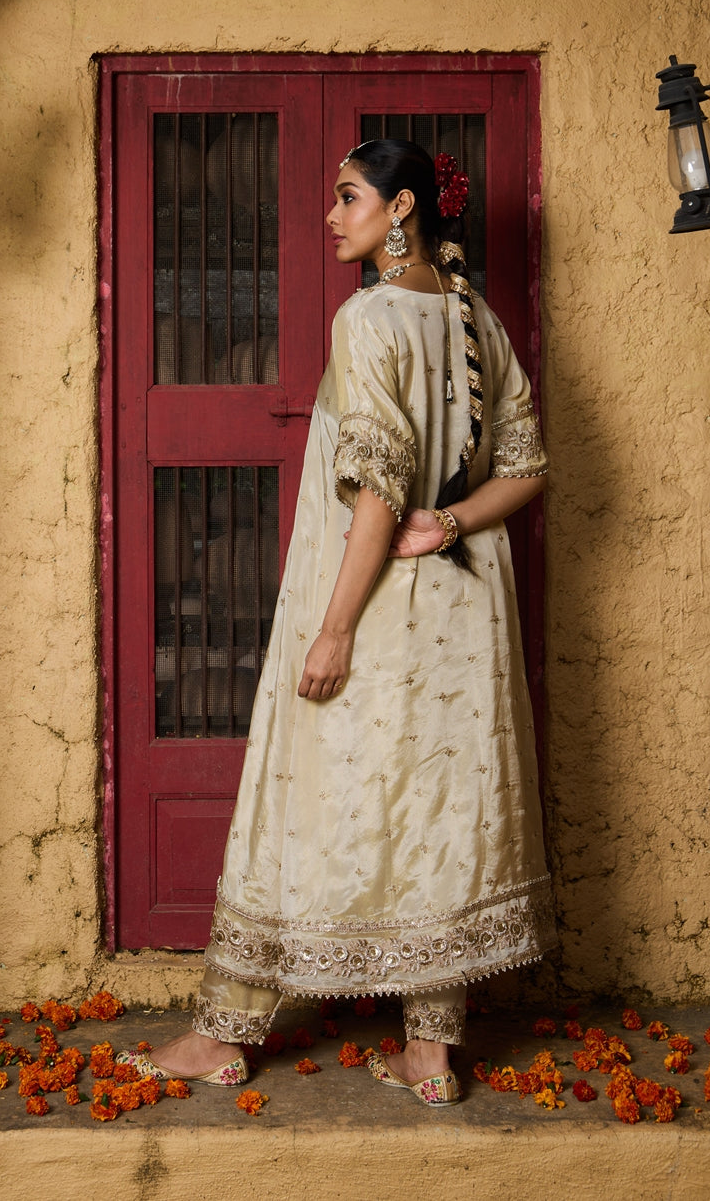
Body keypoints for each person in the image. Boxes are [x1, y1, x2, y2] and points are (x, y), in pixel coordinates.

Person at [120, 139, 555, 1104]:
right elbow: (525, 471)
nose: (330, 214)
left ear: (400, 208)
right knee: (437, 812)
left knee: (305, 794)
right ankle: (431, 1053)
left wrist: (333, 628)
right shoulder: (476, 320)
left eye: (347, 195)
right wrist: (450, 523)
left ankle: (224, 1033)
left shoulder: (368, 320)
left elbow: (374, 494)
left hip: (378, 602)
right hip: (466, 609)